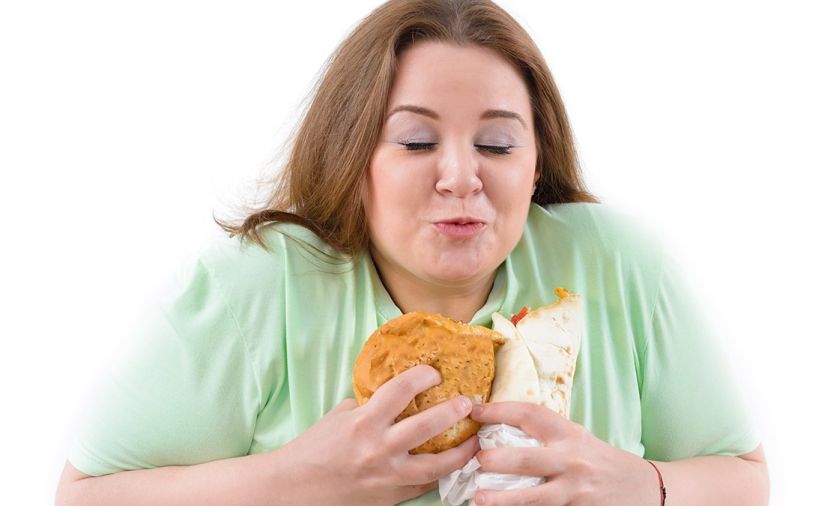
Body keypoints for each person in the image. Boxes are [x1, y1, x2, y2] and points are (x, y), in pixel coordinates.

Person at [55, 0, 769, 504]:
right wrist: (293, 484)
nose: (461, 176)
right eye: (417, 141)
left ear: (535, 164)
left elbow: (745, 477)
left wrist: (645, 487)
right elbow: (83, 495)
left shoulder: (621, 265)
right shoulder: (252, 288)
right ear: (354, 156)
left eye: (497, 144)